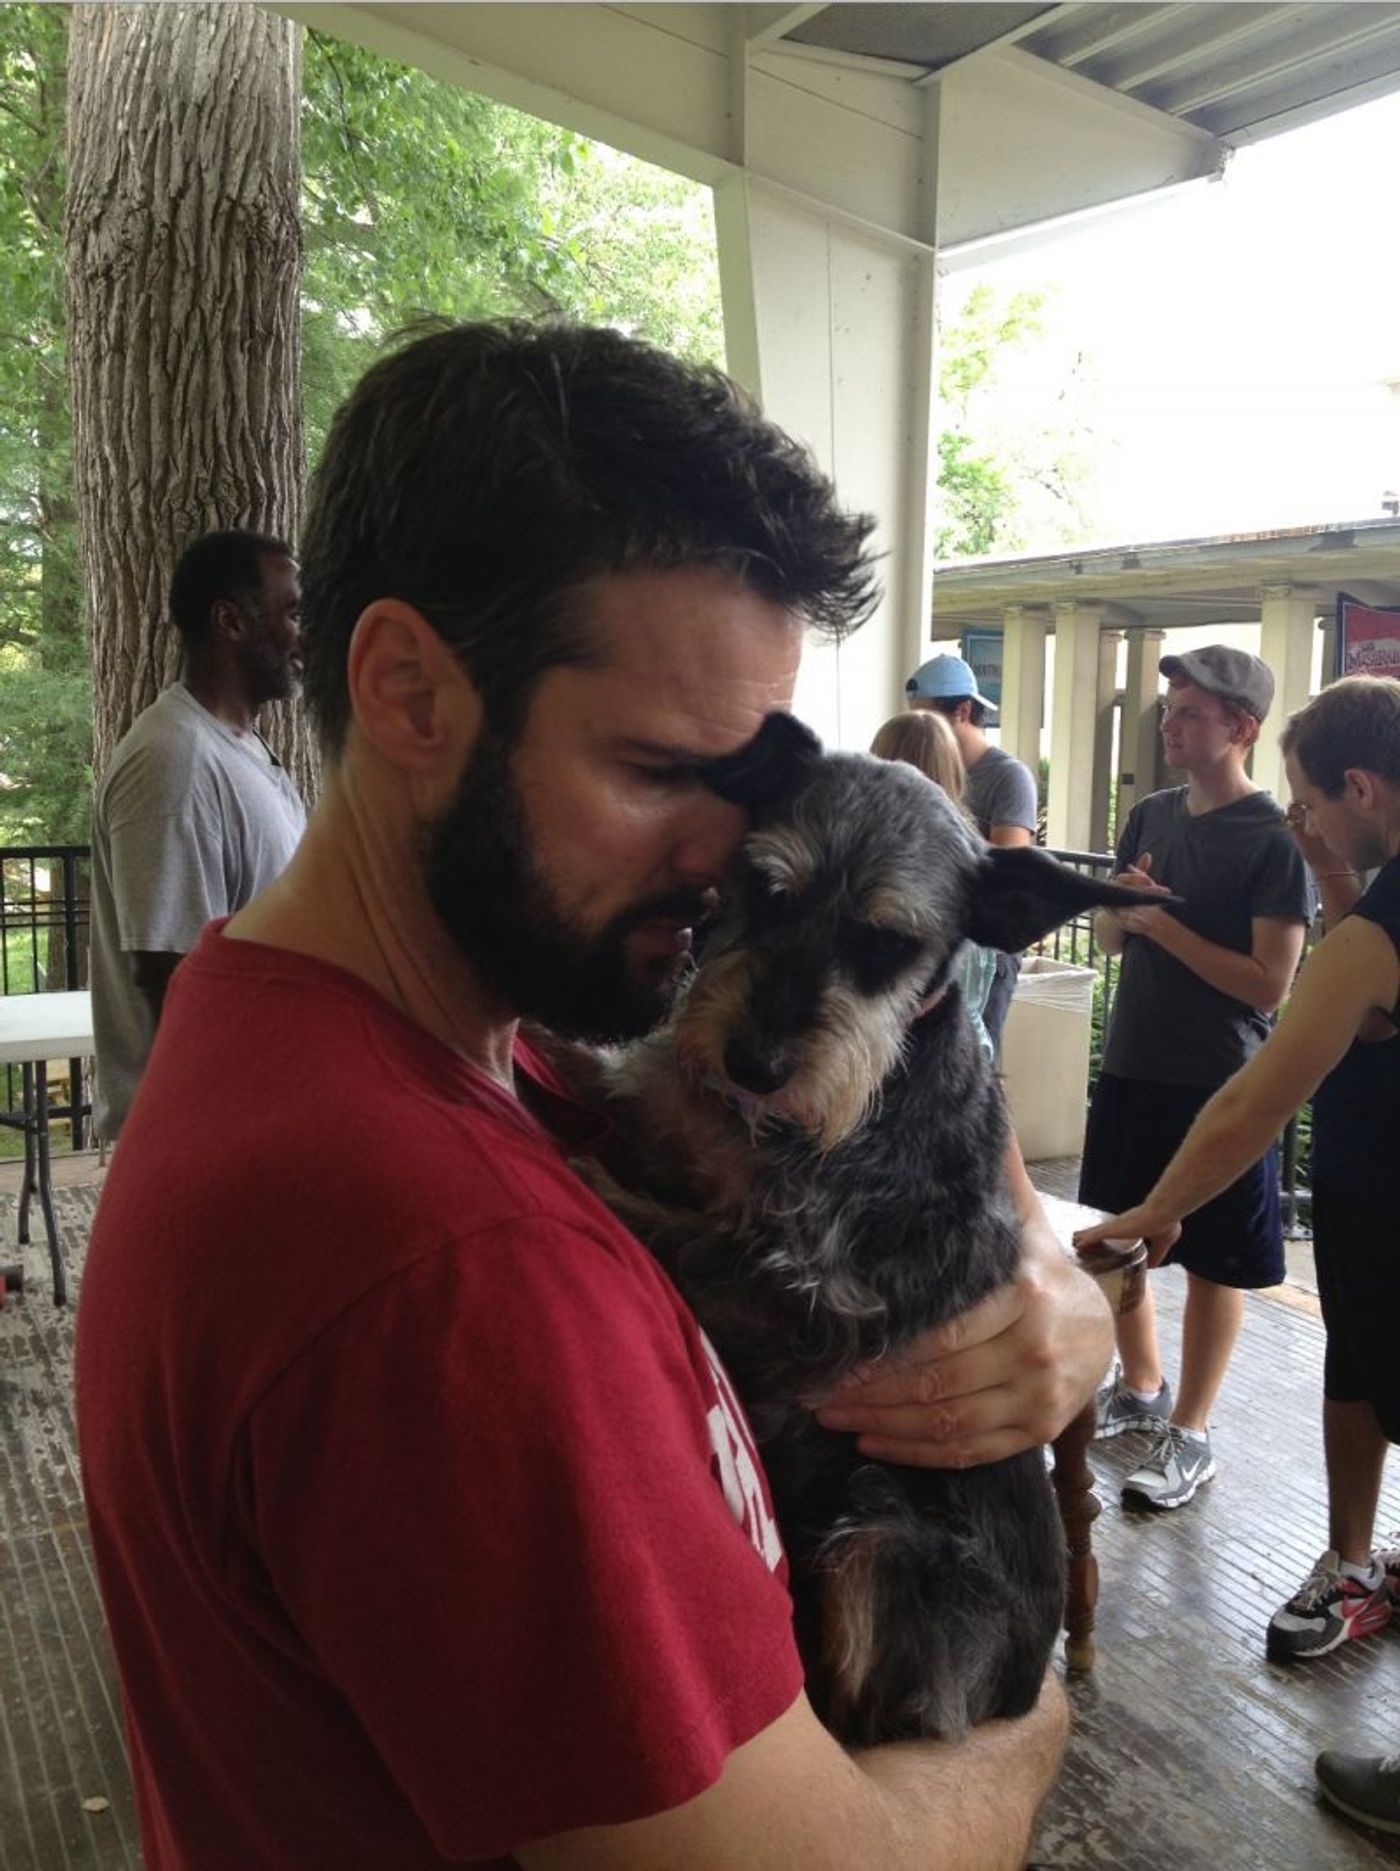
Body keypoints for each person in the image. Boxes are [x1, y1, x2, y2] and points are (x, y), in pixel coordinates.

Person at [76, 323, 1113, 1871]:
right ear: (412, 694)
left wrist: (1048, 1294)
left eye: (746, 780)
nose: (719, 861)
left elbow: (917, 1127)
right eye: (654, 768)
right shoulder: (446, 1266)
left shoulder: (457, 1050)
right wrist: (1017, 1749)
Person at [1076, 674, 1400, 1660]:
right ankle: (1355, 1563)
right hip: (1357, 1185)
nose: (1297, 817)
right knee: (1354, 1366)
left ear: (1359, 785)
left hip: (1382, 1191)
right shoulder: (1372, 891)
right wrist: (1328, 865)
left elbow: (1259, 1092)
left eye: (1307, 799)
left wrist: (1156, 1205)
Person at [1078, 645, 1311, 1511]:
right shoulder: (1148, 816)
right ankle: (1138, 1385)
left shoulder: (1274, 839)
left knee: (1214, 1260)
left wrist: (1162, 922)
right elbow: (1109, 938)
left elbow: (1270, 985)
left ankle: (1194, 1427)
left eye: (1189, 714)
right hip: (1135, 1059)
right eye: (1169, 710)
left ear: (1242, 728)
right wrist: (1122, 912)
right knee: (1118, 1235)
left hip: (1223, 1084)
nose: (1170, 725)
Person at [88, 529, 306, 1142]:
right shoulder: (173, 762)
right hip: (206, 1137)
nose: (302, 633)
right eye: (290, 611)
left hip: (258, 1121)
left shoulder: (241, 750)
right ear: (231, 621)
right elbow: (177, 981)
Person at [906, 652, 1037, 1054]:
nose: (920, 729)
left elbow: (1008, 865)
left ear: (962, 711)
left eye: (926, 717)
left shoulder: (1008, 776)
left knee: (972, 1060)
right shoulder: (920, 769)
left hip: (987, 950)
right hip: (931, 943)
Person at [870, 709, 997, 1058]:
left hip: (879, 1054)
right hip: (963, 1052)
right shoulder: (975, 872)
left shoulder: (863, 872)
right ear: (955, 772)